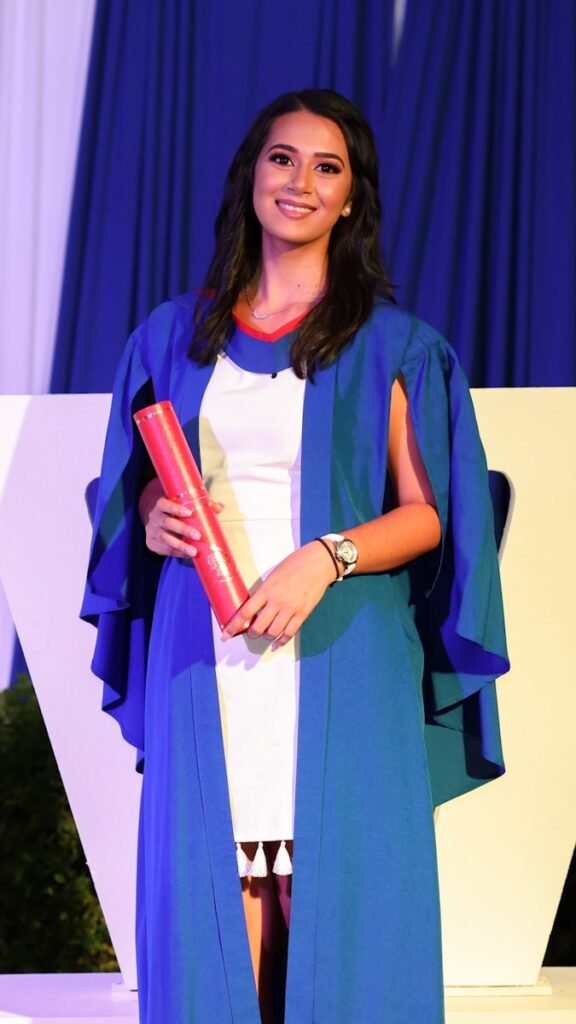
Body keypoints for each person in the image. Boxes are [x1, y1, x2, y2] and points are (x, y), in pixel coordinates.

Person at [82, 89, 509, 1024]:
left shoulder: (394, 344)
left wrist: (328, 556)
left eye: (328, 167)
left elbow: (430, 514)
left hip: (340, 645)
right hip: (210, 650)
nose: (301, 182)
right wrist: (153, 514)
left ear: (352, 199)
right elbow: (131, 485)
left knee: (329, 880)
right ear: (252, 175)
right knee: (223, 877)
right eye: (283, 159)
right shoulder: (171, 335)